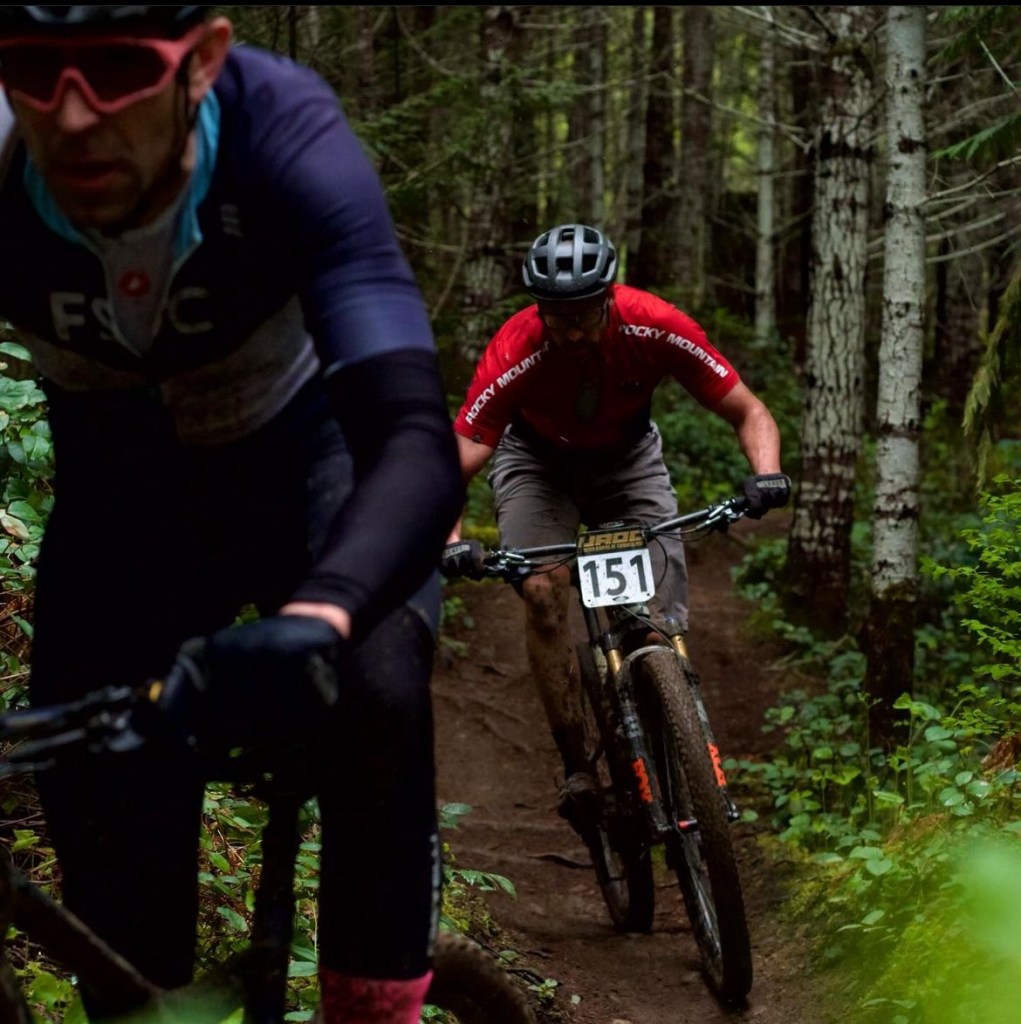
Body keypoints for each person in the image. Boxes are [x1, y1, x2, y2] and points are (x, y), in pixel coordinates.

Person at [0, 6, 463, 1023]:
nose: (72, 115)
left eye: (119, 69)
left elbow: (410, 437)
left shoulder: (281, 134)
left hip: (310, 455)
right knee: (100, 794)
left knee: (375, 682)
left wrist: (322, 615)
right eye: (34, 70)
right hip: (121, 492)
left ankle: (373, 1002)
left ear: (202, 62)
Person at [445, 222, 790, 829]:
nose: (573, 332)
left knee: (656, 619)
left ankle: (669, 715)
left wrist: (767, 475)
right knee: (543, 590)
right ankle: (577, 764)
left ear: (609, 297)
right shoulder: (517, 346)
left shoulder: (654, 322)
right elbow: (460, 456)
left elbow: (748, 409)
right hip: (537, 464)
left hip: (628, 460)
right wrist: (450, 541)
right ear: (539, 309)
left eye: (585, 315)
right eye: (558, 317)